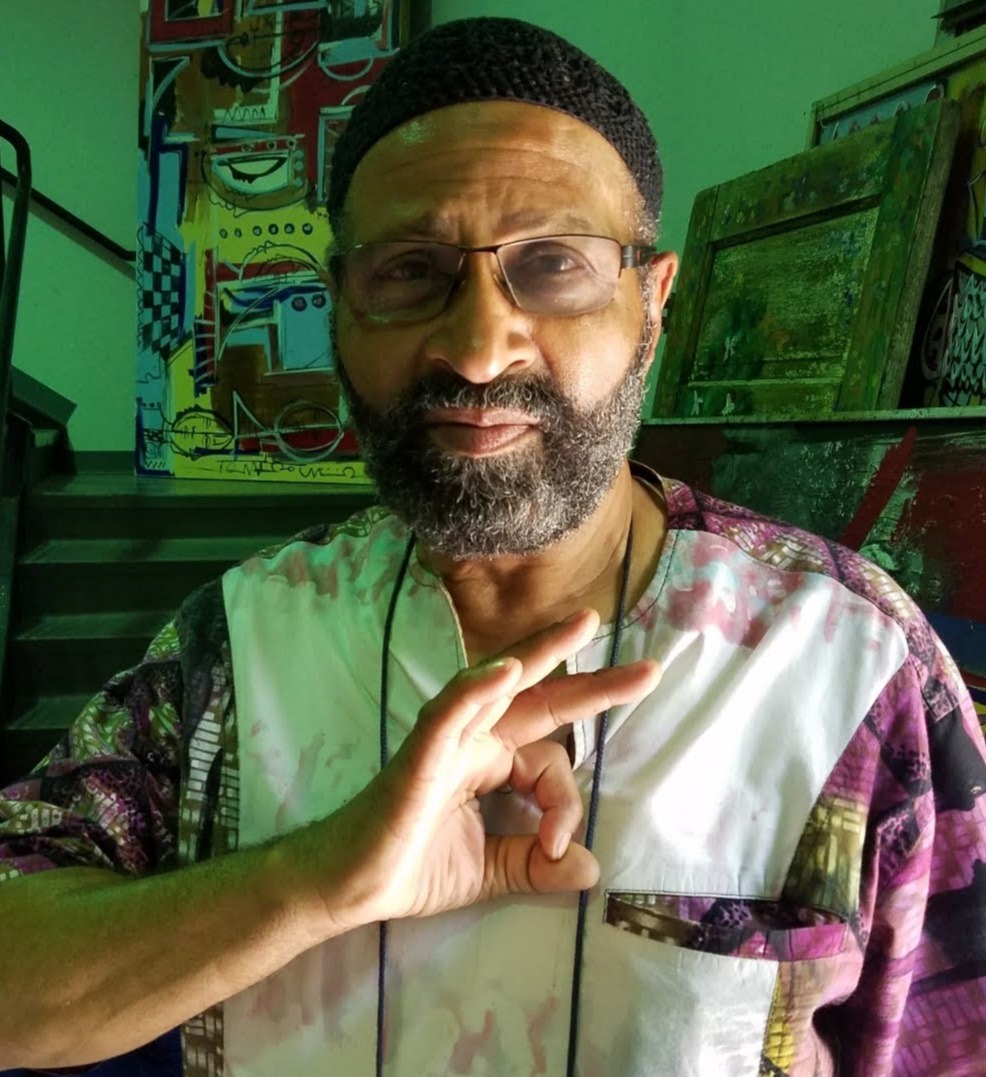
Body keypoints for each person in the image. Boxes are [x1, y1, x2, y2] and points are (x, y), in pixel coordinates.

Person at [1, 16, 985, 1077]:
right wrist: (317, 878)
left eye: (552, 265)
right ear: (339, 308)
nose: (477, 351)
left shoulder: (848, 668)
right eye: (408, 269)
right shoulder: (235, 649)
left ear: (652, 305)